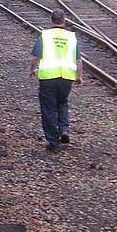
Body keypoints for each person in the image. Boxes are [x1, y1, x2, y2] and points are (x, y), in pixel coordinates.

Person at [28, 9, 83, 151]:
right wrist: (79, 77)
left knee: (48, 109)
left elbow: (36, 57)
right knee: (62, 102)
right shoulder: (71, 37)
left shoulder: (45, 36)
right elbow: (78, 60)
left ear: (51, 20)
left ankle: (53, 142)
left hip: (48, 77)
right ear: (64, 20)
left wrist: (32, 70)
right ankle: (64, 129)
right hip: (66, 78)